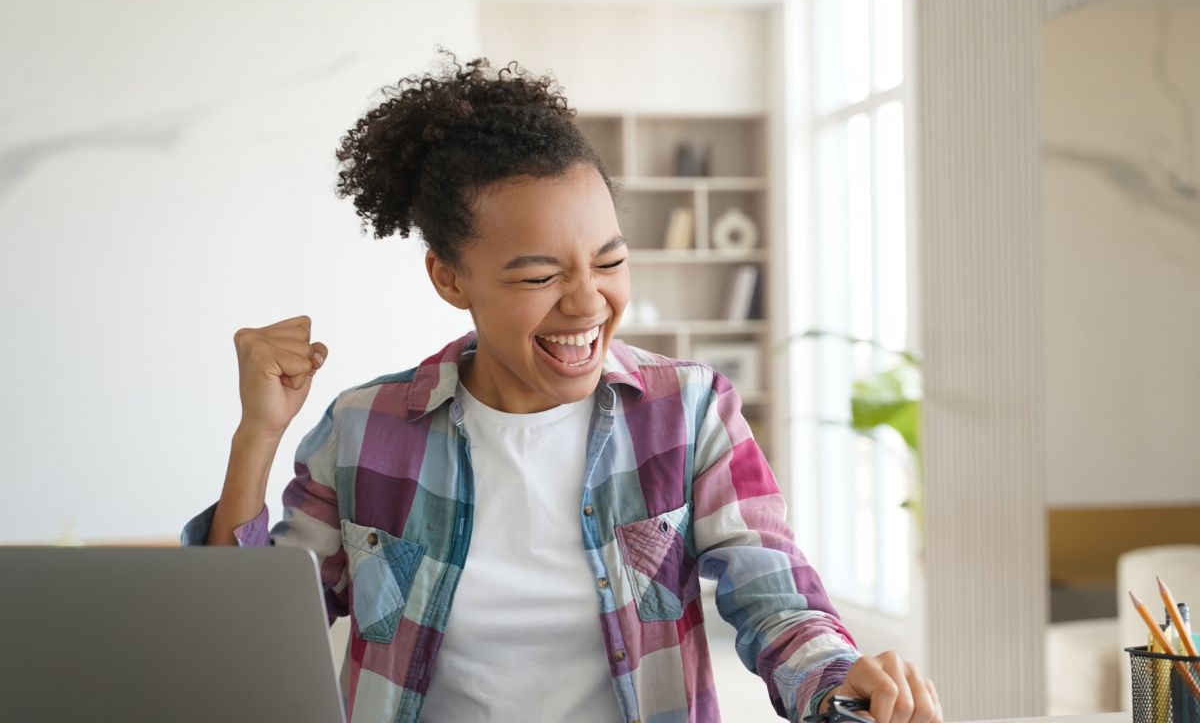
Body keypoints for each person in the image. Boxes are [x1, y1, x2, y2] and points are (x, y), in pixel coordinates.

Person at [182, 54, 942, 723]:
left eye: (609, 263)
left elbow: (777, 599)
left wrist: (845, 689)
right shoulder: (363, 428)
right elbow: (250, 644)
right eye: (541, 275)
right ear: (450, 277)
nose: (586, 302)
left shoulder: (689, 411)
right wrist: (259, 436)